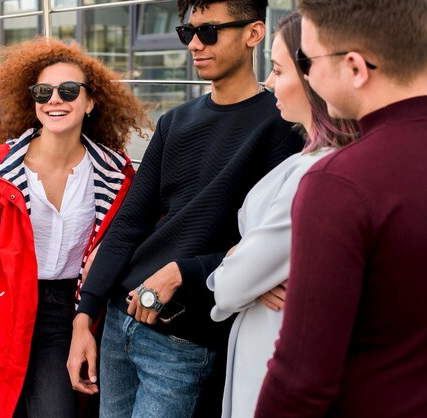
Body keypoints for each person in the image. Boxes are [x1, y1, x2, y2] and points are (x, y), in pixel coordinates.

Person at [66, 1, 304, 416]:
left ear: (253, 34)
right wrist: (85, 316)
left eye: (209, 31)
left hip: (185, 340)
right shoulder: (175, 121)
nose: (195, 44)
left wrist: (185, 272)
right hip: (121, 321)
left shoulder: (281, 126)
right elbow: (129, 224)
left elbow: (265, 245)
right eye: (187, 33)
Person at [0, 37, 150, 418]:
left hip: (69, 314)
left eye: (69, 90)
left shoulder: (115, 174)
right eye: (43, 91)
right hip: (1, 310)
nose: (55, 99)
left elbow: (133, 238)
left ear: (90, 102)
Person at [254, 0, 427, 417]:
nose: (307, 74)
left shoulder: (339, 183)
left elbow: (300, 383)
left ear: (355, 67)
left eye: (307, 60)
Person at [205, 12, 358, 418]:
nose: (268, 82)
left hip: (275, 350)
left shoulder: (315, 173)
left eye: (276, 69)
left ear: (315, 78)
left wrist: (238, 267)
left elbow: (229, 288)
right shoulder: (309, 161)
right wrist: (245, 264)